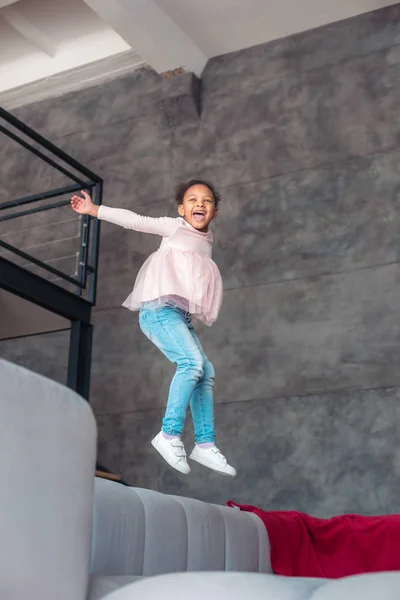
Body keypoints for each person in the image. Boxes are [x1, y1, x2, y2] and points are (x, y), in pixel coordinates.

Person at [71, 180, 236, 477]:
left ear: (215, 212)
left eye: (207, 201)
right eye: (193, 200)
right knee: (192, 363)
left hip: (178, 316)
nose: (200, 204)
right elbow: (135, 220)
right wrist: (94, 209)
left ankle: (205, 443)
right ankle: (169, 434)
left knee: (206, 372)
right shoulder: (174, 227)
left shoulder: (207, 239)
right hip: (158, 311)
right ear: (181, 209)